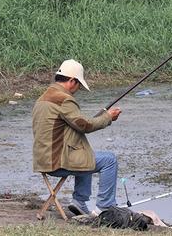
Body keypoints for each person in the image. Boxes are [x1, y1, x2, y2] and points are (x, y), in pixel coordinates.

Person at [32, 59, 122, 216]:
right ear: (72, 81)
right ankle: (105, 207)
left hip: (43, 160)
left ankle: (79, 202)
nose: (78, 89)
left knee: (85, 153)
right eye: (79, 85)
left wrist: (101, 117)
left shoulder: (43, 98)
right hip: (57, 162)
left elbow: (73, 124)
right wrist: (107, 117)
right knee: (109, 160)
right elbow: (85, 126)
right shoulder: (64, 99)